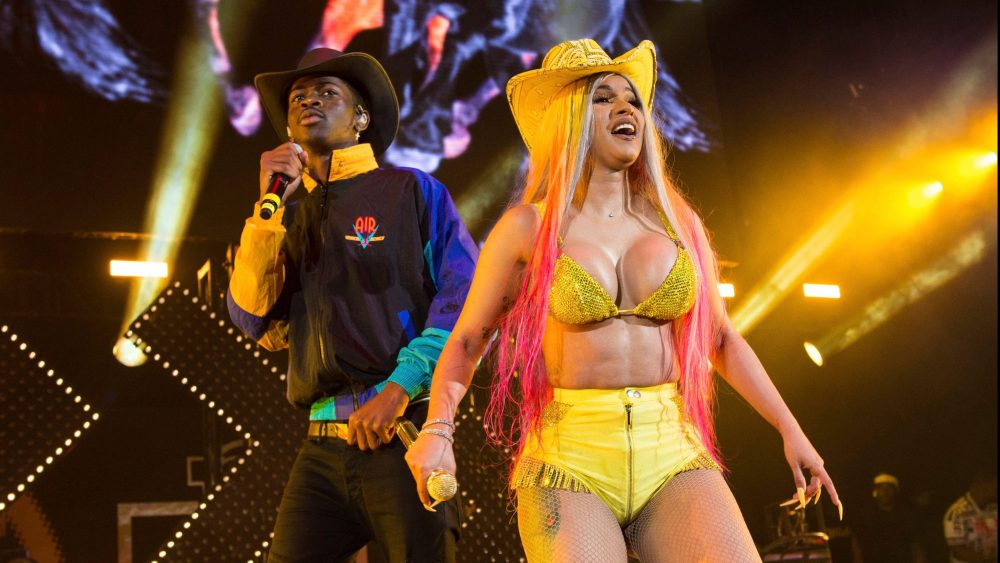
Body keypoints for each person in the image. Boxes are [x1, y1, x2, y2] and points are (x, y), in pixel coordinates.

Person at [403, 38, 843, 562]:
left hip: (672, 450)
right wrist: (438, 430)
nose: (625, 108)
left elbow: (722, 339)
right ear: (569, 118)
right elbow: (467, 341)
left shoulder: (677, 222)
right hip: (570, 459)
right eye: (603, 98)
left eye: (632, 99)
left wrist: (791, 430)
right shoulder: (527, 228)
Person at [227, 46, 479, 562]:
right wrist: (265, 212)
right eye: (298, 97)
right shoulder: (283, 217)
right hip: (321, 447)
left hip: (402, 431)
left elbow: (466, 300)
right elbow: (252, 319)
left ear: (361, 118)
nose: (309, 101)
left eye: (327, 92)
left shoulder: (411, 191)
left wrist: (398, 388)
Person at [855, 473, 927, 563]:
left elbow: (916, 546)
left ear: (895, 491)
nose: (885, 491)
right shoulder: (866, 517)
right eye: (881, 488)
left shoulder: (906, 515)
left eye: (889, 488)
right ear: (875, 492)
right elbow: (858, 546)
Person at [943, 468, 998, 563]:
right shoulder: (956, 513)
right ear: (981, 485)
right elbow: (960, 552)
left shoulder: (993, 507)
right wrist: (990, 559)